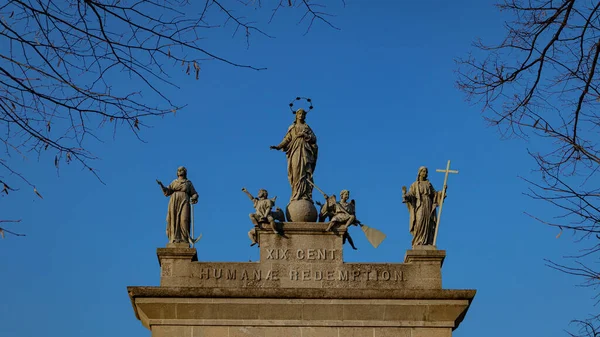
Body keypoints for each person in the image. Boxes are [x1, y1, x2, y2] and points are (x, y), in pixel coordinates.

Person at [270, 108, 318, 201]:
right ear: (296, 115)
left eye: (303, 114)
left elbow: (314, 138)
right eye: (299, 113)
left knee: (305, 171)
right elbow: (287, 139)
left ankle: (305, 194)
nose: (301, 115)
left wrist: (305, 135)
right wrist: (278, 146)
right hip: (294, 150)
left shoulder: (306, 127)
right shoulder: (292, 127)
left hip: (305, 150)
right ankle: (296, 192)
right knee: (295, 170)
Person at [402, 166, 446, 247]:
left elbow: (435, 194)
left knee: (428, 222)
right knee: (419, 221)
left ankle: (428, 241)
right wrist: (405, 195)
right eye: (424, 171)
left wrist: (442, 192)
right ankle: (418, 240)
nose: (425, 173)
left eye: (426, 172)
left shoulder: (428, 184)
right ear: (419, 173)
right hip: (420, 205)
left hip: (428, 204)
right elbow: (411, 194)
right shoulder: (415, 184)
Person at [156, 166, 198, 244]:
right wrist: (162, 185)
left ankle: (184, 239)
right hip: (174, 202)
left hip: (184, 201)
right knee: (174, 219)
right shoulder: (174, 182)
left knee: (184, 220)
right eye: (178, 170)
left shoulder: (188, 183)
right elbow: (167, 191)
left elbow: (194, 193)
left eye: (181, 170)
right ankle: (175, 238)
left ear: (185, 172)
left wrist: (194, 197)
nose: (180, 171)